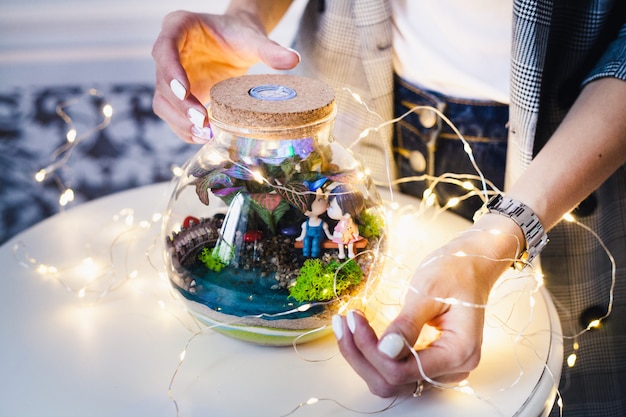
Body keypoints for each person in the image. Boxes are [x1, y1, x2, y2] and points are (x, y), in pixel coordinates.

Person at [151, 1, 626, 415]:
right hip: (361, 97)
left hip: (567, 146)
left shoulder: (334, 190)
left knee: (551, 366)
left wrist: (500, 235)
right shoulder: (291, 184)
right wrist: (245, 15)